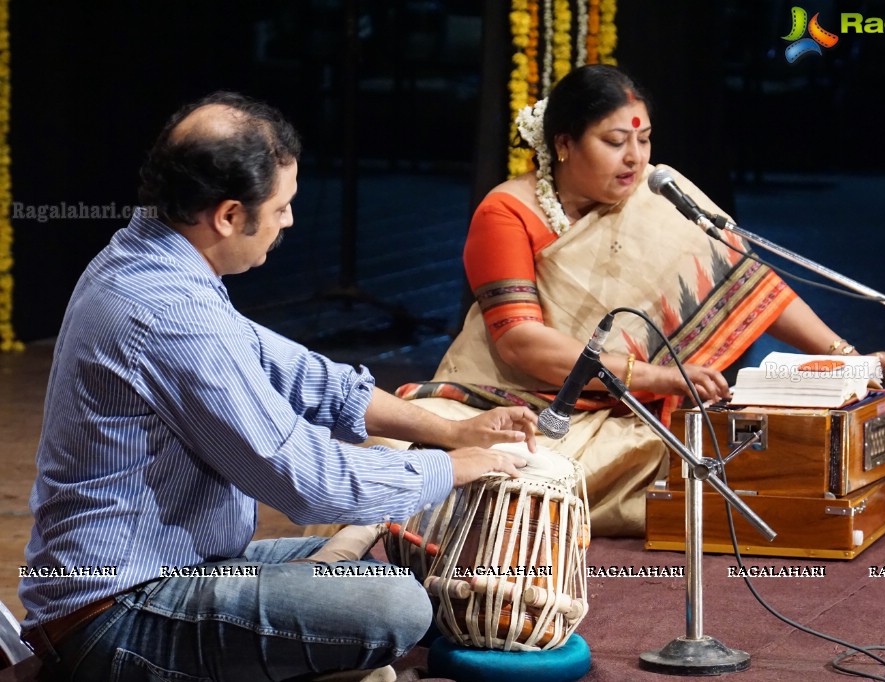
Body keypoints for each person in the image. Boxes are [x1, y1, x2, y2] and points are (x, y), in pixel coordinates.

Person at [18, 92, 539, 682]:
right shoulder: (167, 310)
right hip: (118, 613)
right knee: (394, 604)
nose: (290, 219)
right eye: (282, 206)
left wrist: (451, 430)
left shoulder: (153, 259)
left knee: (403, 575)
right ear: (229, 215)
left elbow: (309, 378)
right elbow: (304, 481)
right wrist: (452, 467)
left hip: (191, 568)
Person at [394, 64, 885, 538]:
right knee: (430, 463)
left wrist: (850, 360)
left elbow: (747, 285)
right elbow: (521, 344)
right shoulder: (508, 212)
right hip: (518, 406)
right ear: (563, 143)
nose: (635, 157)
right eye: (614, 141)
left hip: (630, 415)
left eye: (644, 139)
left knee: (727, 458)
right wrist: (660, 377)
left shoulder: (660, 194)